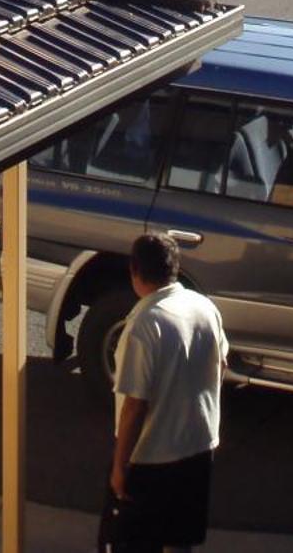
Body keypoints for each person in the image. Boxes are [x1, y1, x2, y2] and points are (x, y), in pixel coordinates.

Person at [105, 232, 228, 553]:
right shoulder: (204, 307)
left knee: (134, 544)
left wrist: (120, 466)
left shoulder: (145, 323)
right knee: (179, 543)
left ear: (135, 270)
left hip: (152, 459)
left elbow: (135, 404)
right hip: (199, 449)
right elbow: (222, 364)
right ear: (174, 267)